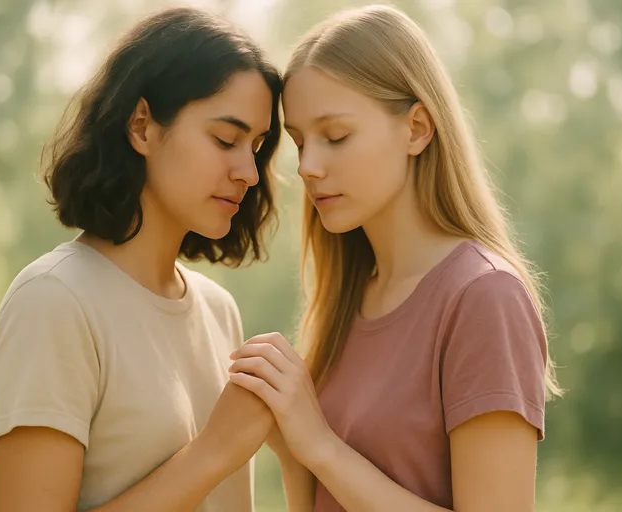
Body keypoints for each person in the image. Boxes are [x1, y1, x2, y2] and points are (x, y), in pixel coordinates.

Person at [228, 5, 562, 512]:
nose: (309, 166)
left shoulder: (484, 298)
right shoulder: (345, 298)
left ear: (417, 128)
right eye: (299, 142)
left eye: (335, 136)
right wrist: (295, 454)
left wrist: (319, 446)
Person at [0, 7, 283, 512]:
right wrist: (212, 453)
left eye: (255, 147)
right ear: (142, 125)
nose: (250, 173)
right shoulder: (54, 303)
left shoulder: (219, 312)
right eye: (226, 140)